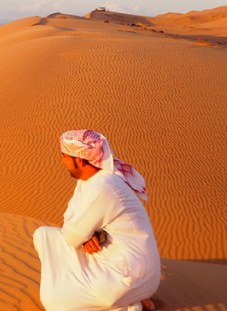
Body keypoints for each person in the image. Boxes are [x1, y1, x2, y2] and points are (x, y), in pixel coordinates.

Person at [33, 130, 160, 311]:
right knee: (44, 235)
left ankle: (130, 304)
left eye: (65, 157)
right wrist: (87, 234)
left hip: (130, 275)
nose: (62, 162)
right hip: (109, 258)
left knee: (56, 303)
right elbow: (69, 218)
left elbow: (72, 235)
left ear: (80, 159)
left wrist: (83, 234)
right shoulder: (88, 182)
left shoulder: (103, 185)